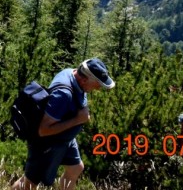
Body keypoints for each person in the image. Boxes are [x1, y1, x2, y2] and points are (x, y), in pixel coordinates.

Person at [13, 58, 115, 190]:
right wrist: (78, 120)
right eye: (97, 84)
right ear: (84, 80)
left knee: (75, 168)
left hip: (65, 139)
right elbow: (43, 130)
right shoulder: (63, 95)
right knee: (30, 183)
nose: (99, 88)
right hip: (47, 144)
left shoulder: (71, 72)